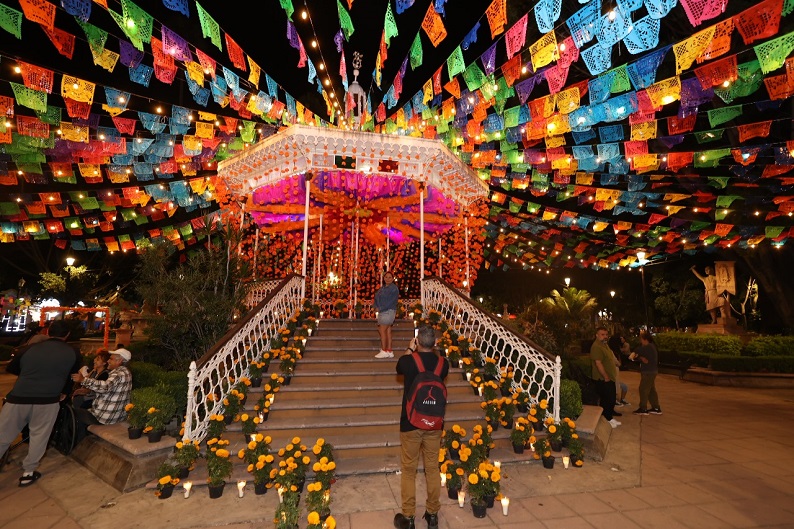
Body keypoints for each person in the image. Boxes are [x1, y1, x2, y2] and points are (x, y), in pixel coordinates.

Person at [0, 320, 81, 487]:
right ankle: (28, 473)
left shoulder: (29, 349)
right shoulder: (73, 352)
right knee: (39, 436)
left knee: (3, 435)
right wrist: (64, 391)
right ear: (67, 335)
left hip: (18, 398)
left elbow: (12, 368)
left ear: (48, 332)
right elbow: (72, 376)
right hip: (48, 400)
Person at [394, 325, 449, 529]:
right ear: (435, 343)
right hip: (434, 423)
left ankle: (408, 517)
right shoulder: (443, 364)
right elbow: (440, 366)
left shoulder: (407, 361)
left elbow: (399, 367)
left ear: (417, 342)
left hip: (410, 423)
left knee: (409, 470)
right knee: (432, 468)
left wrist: (410, 349)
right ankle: (432, 514)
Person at [71, 347, 133, 438]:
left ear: (119, 361)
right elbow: (110, 391)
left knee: (73, 413)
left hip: (105, 418)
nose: (108, 361)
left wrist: (83, 380)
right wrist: (88, 391)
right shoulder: (125, 372)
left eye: (111, 359)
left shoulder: (118, 374)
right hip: (115, 416)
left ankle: (79, 443)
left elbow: (105, 387)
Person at [590, 327, 621, 428]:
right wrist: (606, 376)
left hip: (609, 378)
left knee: (610, 399)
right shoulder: (596, 347)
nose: (605, 336)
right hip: (603, 379)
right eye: (602, 334)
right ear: (597, 335)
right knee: (608, 399)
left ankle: (609, 418)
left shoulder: (604, 345)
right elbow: (598, 363)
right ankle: (607, 419)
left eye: (606, 334)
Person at [631, 331, 662, 415]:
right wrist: (641, 358)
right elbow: (642, 357)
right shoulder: (651, 347)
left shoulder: (648, 347)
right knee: (651, 390)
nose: (640, 341)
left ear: (645, 340)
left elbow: (637, 351)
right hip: (651, 371)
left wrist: (638, 356)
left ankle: (643, 408)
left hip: (648, 372)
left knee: (643, 389)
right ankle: (656, 407)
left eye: (641, 339)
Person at [374, 271, 399, 359]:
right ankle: (389, 350)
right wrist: (376, 306)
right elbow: (376, 297)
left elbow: (391, 302)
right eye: (386, 277)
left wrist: (380, 308)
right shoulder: (383, 288)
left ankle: (384, 350)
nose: (387, 279)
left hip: (388, 311)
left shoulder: (393, 289)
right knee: (388, 331)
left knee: (382, 330)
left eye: (389, 277)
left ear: (392, 279)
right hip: (383, 311)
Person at [607, 334, 630, 407]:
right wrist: (618, 363)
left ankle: (621, 399)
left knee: (623, 386)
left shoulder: (616, 350)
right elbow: (615, 361)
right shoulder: (610, 351)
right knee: (616, 386)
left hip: (615, 372)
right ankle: (614, 400)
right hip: (612, 372)